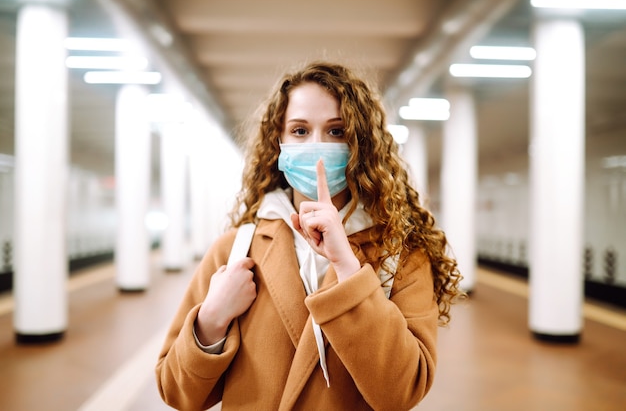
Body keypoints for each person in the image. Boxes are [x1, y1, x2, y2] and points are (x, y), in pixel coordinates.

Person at [155, 61, 463, 411]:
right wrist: (211, 320)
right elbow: (176, 391)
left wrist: (348, 269)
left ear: (360, 144)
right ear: (279, 142)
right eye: (300, 131)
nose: (317, 146)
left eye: (336, 132)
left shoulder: (401, 255)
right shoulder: (235, 251)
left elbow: (403, 391)